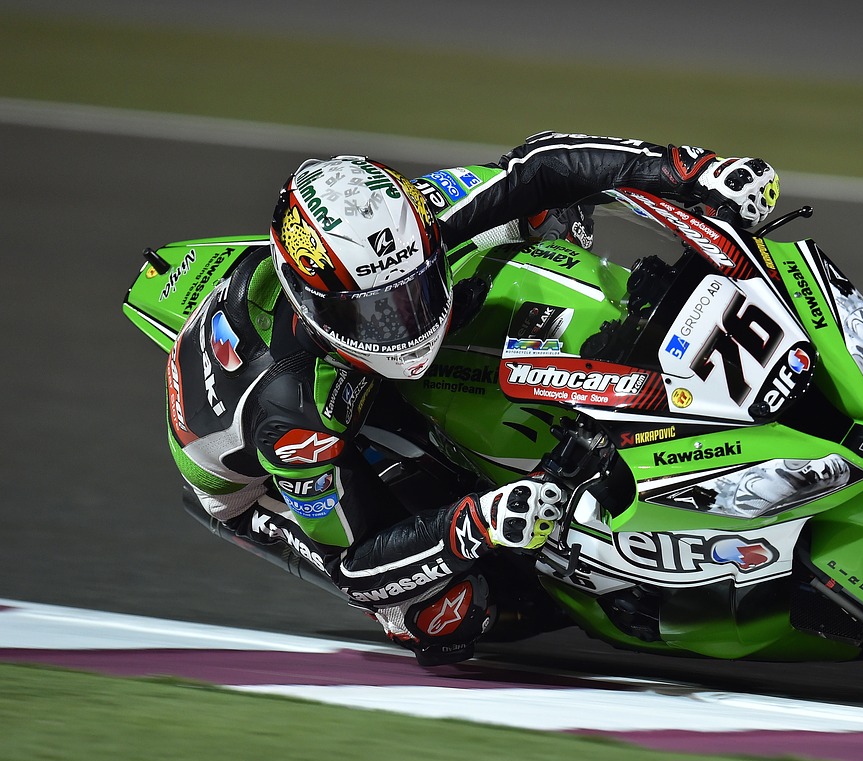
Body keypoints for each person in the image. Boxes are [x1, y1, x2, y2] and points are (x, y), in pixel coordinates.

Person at [165, 131, 780, 666]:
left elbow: (541, 165)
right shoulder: (289, 412)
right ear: (316, 307)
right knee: (439, 614)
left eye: (413, 293)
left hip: (343, 357)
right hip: (257, 482)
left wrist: (691, 171)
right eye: (377, 314)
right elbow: (356, 564)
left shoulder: (411, 223)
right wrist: (475, 524)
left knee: (541, 217)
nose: (405, 325)